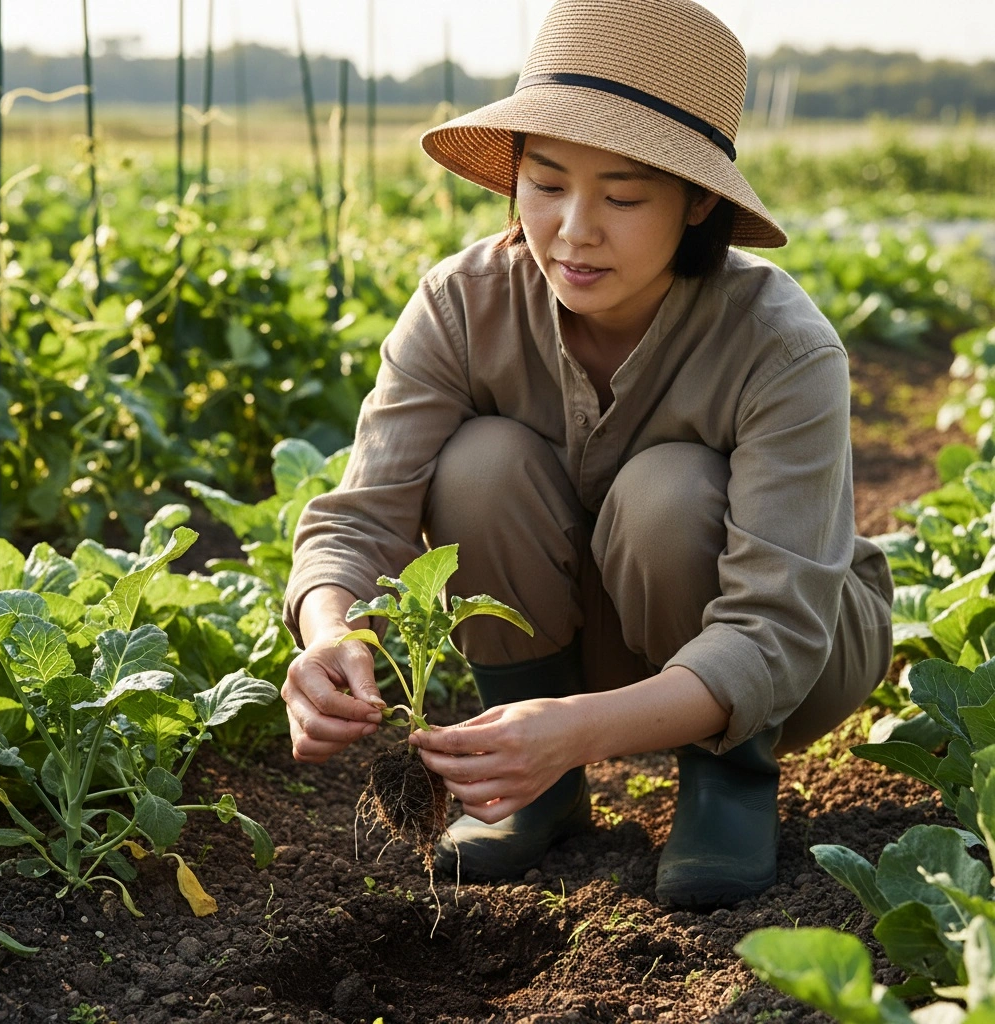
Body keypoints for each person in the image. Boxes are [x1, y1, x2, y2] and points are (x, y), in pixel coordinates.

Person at [280, 0, 894, 908]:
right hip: (587, 634)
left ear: (697, 204)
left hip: (792, 655)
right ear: (514, 174)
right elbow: (357, 517)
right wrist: (329, 633)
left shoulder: (780, 344)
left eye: (623, 196)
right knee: (479, 464)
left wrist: (579, 727)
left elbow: (776, 631)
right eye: (548, 182)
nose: (573, 228)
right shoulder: (462, 304)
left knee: (668, 491)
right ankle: (541, 788)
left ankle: (729, 778)